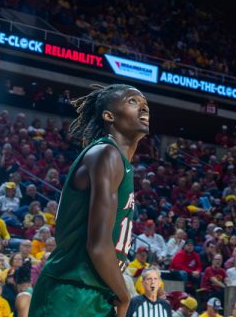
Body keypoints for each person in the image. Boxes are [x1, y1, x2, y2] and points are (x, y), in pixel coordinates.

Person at [28, 85, 149, 317]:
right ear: (109, 116)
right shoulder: (106, 154)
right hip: (72, 290)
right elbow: (98, 245)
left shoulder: (118, 161)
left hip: (95, 291)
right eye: (133, 101)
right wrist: (125, 296)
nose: (143, 107)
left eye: (145, 104)